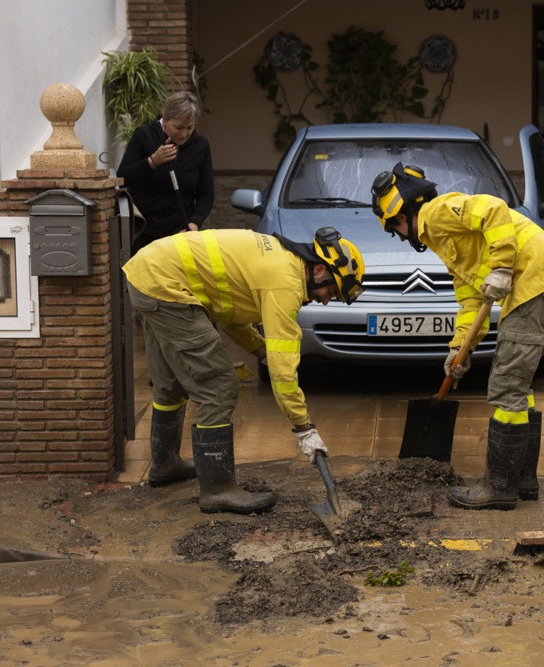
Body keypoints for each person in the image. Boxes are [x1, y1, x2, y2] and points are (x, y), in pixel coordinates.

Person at [370, 162, 544, 510]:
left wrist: (501, 266)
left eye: (395, 228)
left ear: (403, 215)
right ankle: (522, 479)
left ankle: (499, 487)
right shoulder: (443, 239)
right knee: (518, 385)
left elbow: (493, 209)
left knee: (506, 385)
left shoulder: (435, 212)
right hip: (541, 281)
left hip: (535, 282)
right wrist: (458, 350)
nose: (401, 236)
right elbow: (470, 299)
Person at [122, 227, 365, 514]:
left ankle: (165, 464)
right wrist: (303, 427)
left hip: (148, 273)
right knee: (218, 387)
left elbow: (230, 312)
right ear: (320, 270)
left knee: (171, 381)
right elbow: (283, 373)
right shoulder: (284, 284)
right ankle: (218, 490)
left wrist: (259, 348)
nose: (326, 300)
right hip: (167, 287)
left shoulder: (281, 263)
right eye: (332, 291)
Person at [118, 91, 214, 255]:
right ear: (165, 118)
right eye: (178, 127)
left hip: (180, 233)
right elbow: (122, 178)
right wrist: (152, 161)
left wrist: (194, 224)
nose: (184, 134)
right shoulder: (144, 136)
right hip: (144, 232)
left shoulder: (200, 146)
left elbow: (206, 193)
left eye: (190, 128)